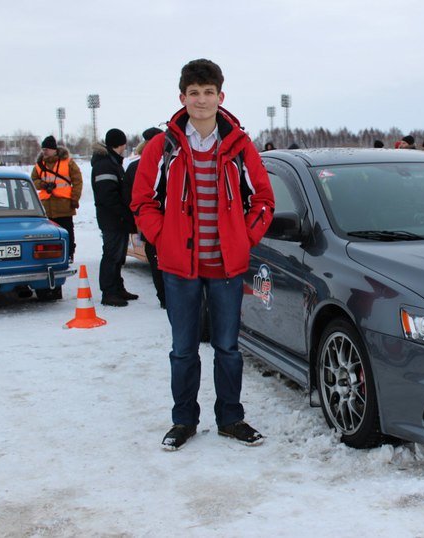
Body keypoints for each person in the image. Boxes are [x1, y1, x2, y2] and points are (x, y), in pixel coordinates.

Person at [131, 58, 275, 450]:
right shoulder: (164, 147)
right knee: (183, 349)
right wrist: (162, 238)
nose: (201, 100)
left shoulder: (240, 146)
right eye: (193, 93)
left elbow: (263, 199)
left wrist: (245, 238)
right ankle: (184, 421)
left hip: (226, 266)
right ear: (183, 97)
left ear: (220, 96)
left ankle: (231, 418)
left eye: (208, 92)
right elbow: (142, 200)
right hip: (181, 267)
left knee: (228, 348)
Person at [92, 128, 138, 307]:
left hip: (116, 219)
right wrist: (123, 214)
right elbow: (108, 196)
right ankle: (109, 292)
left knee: (118, 256)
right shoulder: (105, 165)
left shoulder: (111, 162)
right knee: (112, 255)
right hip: (112, 219)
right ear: (121, 144)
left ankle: (118, 288)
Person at [123, 127, 165, 308]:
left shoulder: (135, 166)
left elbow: (128, 198)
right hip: (162, 225)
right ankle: (168, 298)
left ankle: (165, 298)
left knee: (155, 259)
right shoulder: (169, 163)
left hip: (148, 225)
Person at [31, 135, 83, 262]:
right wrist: (42, 184)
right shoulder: (39, 165)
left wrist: (75, 198)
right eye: (43, 149)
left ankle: (69, 253)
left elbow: (77, 181)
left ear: (54, 150)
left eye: (47, 149)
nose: (44, 151)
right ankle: (49, 255)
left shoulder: (68, 163)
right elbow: (33, 180)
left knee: (67, 231)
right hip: (46, 206)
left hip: (64, 204)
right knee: (47, 233)